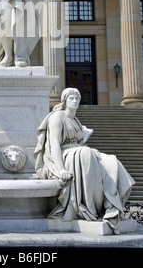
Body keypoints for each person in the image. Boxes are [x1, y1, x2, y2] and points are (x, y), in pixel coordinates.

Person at [34, 87, 135, 233]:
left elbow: (80, 142)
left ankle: (111, 207)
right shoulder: (57, 117)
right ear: (64, 100)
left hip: (80, 151)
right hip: (64, 155)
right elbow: (54, 144)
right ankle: (90, 208)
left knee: (112, 161)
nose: (75, 101)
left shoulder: (75, 120)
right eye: (71, 98)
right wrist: (61, 169)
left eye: (77, 98)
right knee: (86, 153)